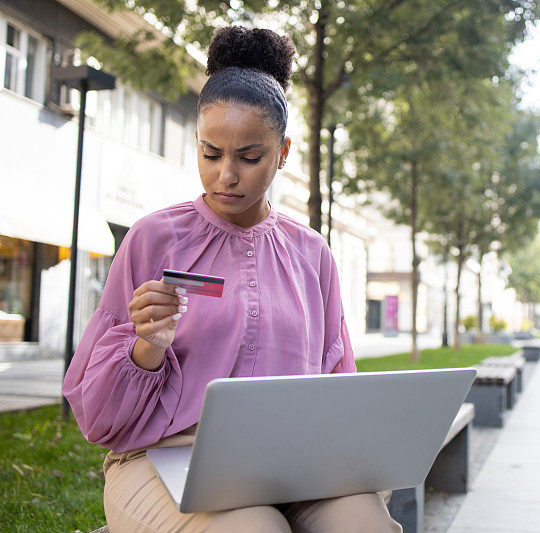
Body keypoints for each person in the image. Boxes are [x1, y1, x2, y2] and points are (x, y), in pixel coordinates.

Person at [62, 26, 401, 532]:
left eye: (249, 157)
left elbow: (337, 388)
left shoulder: (313, 255)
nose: (226, 175)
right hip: (164, 460)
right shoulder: (154, 238)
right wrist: (146, 348)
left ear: (283, 152)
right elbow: (97, 417)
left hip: (291, 465)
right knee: (255, 529)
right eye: (210, 153)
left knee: (364, 524)